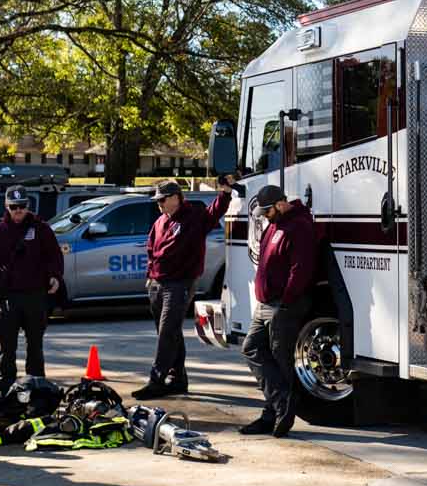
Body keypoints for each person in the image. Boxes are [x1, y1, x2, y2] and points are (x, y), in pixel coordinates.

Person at [134, 176, 235, 400]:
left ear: (176, 198)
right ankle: (178, 379)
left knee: (168, 331)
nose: (159, 204)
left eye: (163, 199)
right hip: (158, 283)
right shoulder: (160, 222)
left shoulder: (193, 217)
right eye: (157, 200)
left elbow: (214, 212)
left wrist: (225, 193)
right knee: (168, 332)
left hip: (180, 283)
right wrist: (150, 277)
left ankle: (157, 380)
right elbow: (151, 249)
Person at [239, 185, 320, 438]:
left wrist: (286, 300)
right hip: (265, 304)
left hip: (282, 305)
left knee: (279, 359)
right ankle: (280, 404)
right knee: (251, 348)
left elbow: (301, 269)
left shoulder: (299, 226)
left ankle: (275, 413)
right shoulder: (274, 224)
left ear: (281, 204)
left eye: (268, 211)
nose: (265, 216)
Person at [0, 186, 62, 392]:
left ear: (28, 206)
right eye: (13, 207)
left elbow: (54, 256)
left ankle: (37, 388)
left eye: (22, 206)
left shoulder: (41, 229)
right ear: (6, 207)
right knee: (6, 349)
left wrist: (54, 277)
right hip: (7, 297)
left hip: (35, 296)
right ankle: (5, 390)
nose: (18, 211)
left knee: (35, 347)